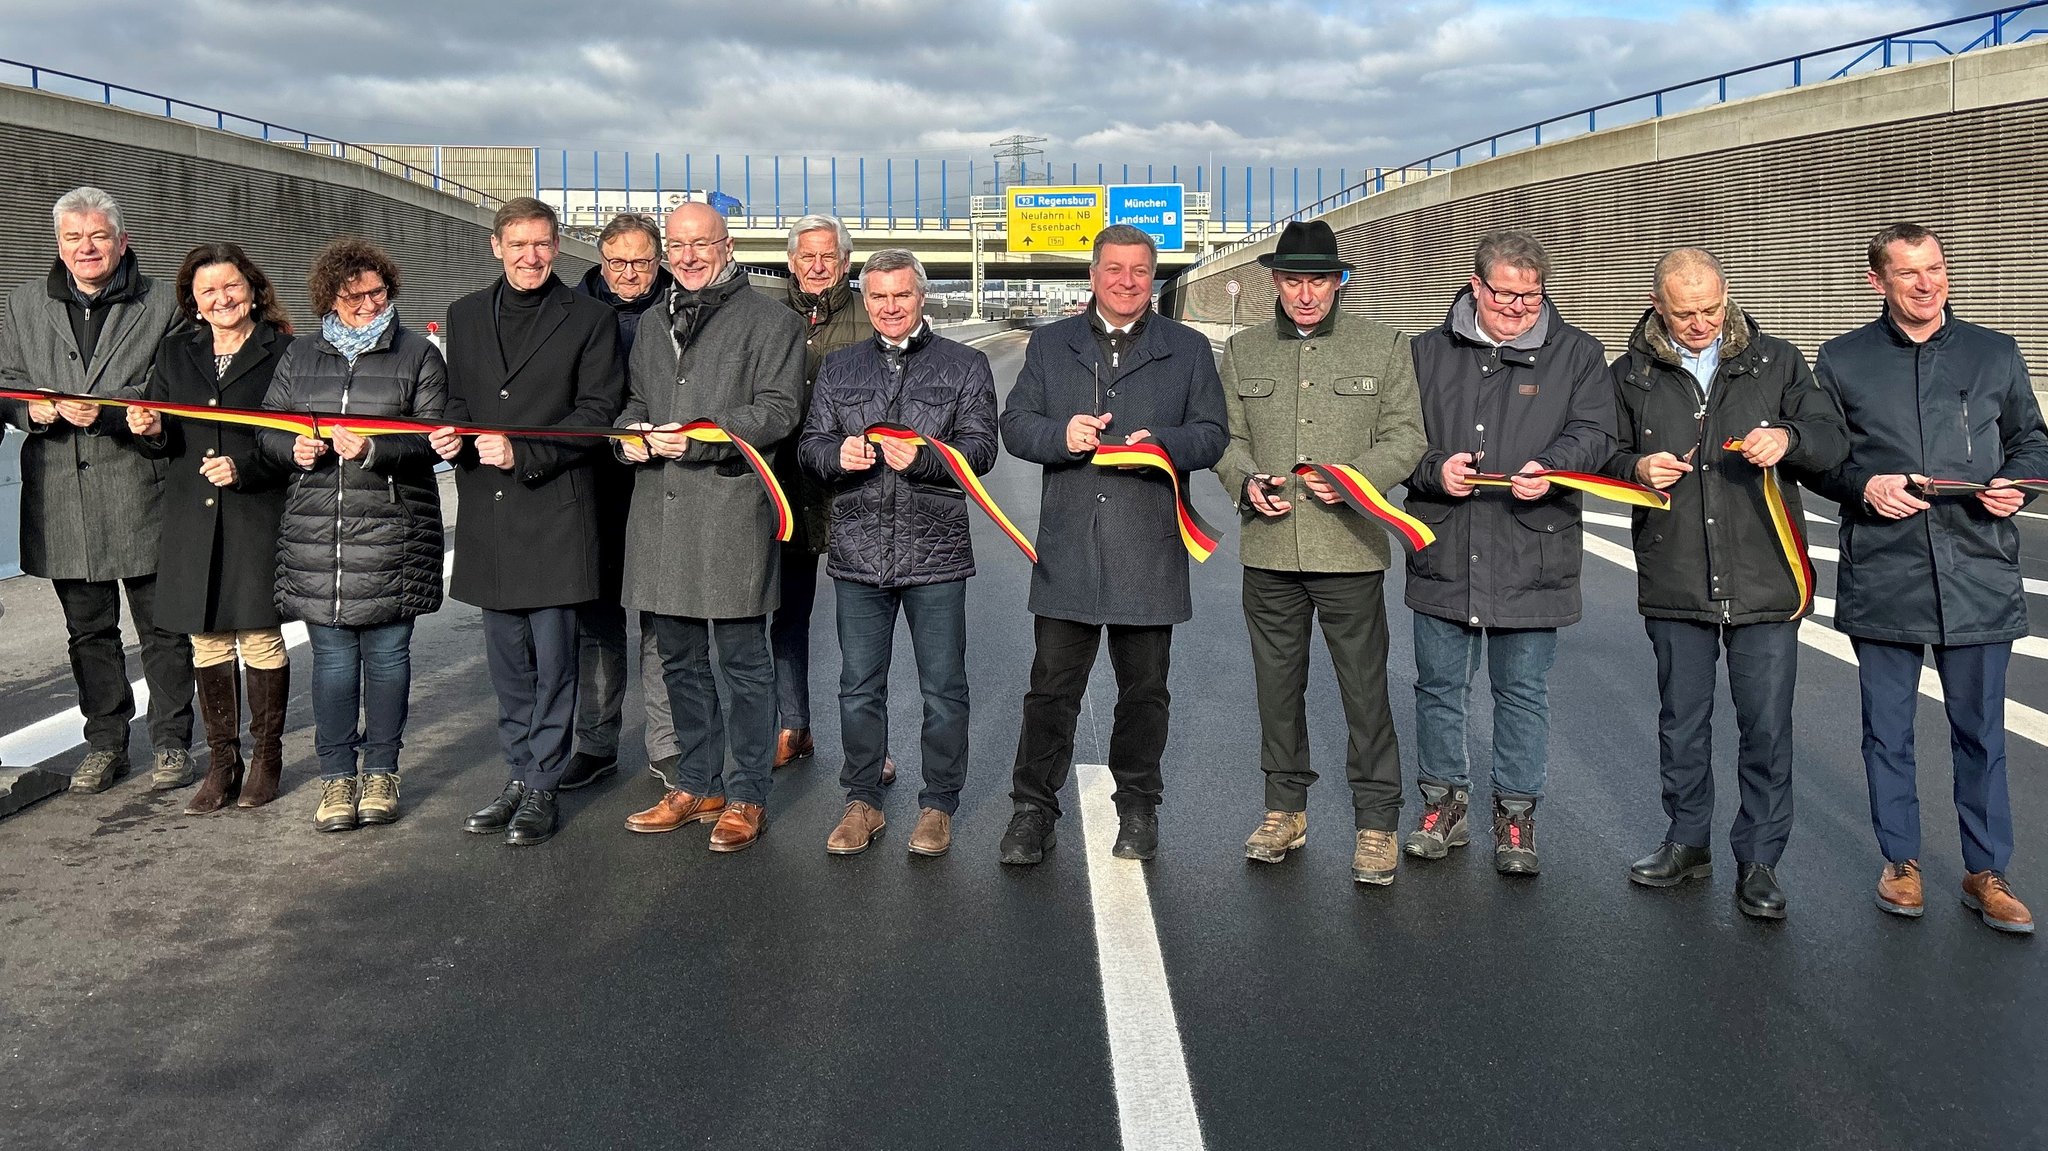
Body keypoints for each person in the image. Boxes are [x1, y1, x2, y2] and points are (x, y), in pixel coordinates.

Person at [1813, 223, 2048, 934]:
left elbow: (2033, 439)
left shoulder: (1995, 351)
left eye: (1936, 269)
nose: (1927, 283)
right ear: (1876, 281)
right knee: (1887, 732)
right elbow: (1820, 456)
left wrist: (2022, 483)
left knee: (1980, 732)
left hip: (1978, 569)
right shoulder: (1843, 360)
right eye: (1909, 272)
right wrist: (1863, 485)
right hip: (1886, 570)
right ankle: (1901, 861)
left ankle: (1987, 871)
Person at [1602, 248, 1847, 919]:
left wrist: (1789, 438)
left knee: (1766, 729)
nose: (1701, 322)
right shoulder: (1627, 374)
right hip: (1675, 573)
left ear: (1727, 294)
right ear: (1657, 305)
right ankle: (1687, 841)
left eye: (1711, 307)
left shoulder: (1779, 361)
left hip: (1766, 574)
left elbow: (1832, 442)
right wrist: (1636, 467)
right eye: (1685, 313)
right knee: (1682, 723)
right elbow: (1597, 451)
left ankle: (1760, 860)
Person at [997, 224, 1228, 864]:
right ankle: (1031, 812)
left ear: (1153, 278)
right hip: (1069, 547)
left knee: (1145, 692)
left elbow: (1212, 433)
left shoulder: (1186, 349)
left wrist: (1166, 447)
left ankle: (1138, 808)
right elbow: (1014, 426)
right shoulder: (1050, 345)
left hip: (1149, 548)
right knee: (1050, 691)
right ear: (1093, 276)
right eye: (1114, 270)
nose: (1127, 282)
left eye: (1139, 271)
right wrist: (1060, 436)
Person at [1215, 221, 1427, 885]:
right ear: (1275, 282)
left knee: (1364, 692)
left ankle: (1375, 821)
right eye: (1293, 280)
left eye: (1319, 280)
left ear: (1340, 282)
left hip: (1350, 552)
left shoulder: (1384, 346)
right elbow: (1224, 438)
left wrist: (1353, 479)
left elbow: (1406, 438)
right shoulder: (1244, 351)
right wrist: (1245, 481)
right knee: (1277, 690)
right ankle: (1285, 809)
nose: (1306, 294)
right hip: (1270, 549)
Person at [1401, 229, 1615, 876]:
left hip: (1533, 552)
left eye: (1531, 295)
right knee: (1440, 687)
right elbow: (1395, 435)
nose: (1520, 307)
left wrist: (1554, 466)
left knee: (1521, 691)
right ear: (1475, 286)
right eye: (1505, 294)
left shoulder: (1578, 354)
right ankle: (1443, 804)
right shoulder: (1423, 353)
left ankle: (1516, 815)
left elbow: (1597, 431)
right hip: (1445, 543)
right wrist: (1435, 468)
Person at [431, 199, 623, 847]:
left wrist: (526, 451)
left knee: (554, 660)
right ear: (496, 246)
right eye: (518, 244)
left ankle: (541, 782)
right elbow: (461, 398)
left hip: (556, 513)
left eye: (542, 244)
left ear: (556, 246)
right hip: (490, 512)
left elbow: (598, 411)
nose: (531, 256)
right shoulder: (464, 315)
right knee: (508, 662)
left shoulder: (590, 319)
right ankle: (518, 770)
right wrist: (451, 435)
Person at [615, 202, 803, 852]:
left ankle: (747, 792)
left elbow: (777, 411)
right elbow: (638, 402)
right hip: (660, 519)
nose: (690, 255)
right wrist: (629, 438)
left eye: (703, 243)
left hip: (730, 514)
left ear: (726, 247)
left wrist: (696, 441)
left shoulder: (772, 321)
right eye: (679, 245)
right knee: (678, 659)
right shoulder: (649, 324)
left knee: (745, 663)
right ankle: (697, 780)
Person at [798, 249, 997, 857]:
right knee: (858, 687)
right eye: (877, 296)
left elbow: (982, 450)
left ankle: (938, 804)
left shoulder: (966, 365)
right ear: (865, 299)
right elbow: (811, 445)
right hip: (858, 551)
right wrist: (838, 457)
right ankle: (862, 801)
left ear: (922, 297)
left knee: (942, 689)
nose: (889, 307)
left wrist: (930, 458)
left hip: (933, 552)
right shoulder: (838, 367)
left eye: (901, 295)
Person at [0, 187, 190, 794]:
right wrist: (37, 410)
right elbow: (5, 384)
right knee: (88, 631)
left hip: (140, 485)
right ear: (58, 245)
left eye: (98, 236)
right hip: (60, 492)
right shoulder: (24, 304)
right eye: (73, 238)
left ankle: (171, 743)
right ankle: (106, 742)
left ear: (122, 241)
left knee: (163, 628)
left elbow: (182, 388)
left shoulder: (164, 302)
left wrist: (115, 416)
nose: (86, 248)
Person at [260, 238, 446, 831]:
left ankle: (383, 771)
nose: (369, 304)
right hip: (318, 531)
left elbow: (435, 438)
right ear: (329, 297)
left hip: (394, 527)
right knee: (334, 663)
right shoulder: (300, 355)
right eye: (354, 295)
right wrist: (292, 447)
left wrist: (373, 449)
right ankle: (337, 778)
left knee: (389, 658)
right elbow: (264, 428)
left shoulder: (419, 353)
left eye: (378, 292)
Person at [127, 244, 295, 815]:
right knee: (205, 637)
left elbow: (298, 440)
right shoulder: (176, 352)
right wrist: (147, 426)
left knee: (258, 636)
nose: (221, 299)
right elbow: (164, 432)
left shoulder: (285, 351)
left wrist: (247, 467)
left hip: (255, 511)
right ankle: (223, 764)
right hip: (192, 514)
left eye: (231, 286)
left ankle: (266, 758)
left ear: (252, 288)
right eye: (208, 292)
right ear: (193, 302)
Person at [566, 212, 682, 790]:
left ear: (658, 260)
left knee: (662, 619)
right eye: (617, 262)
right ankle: (596, 742)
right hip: (592, 484)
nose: (629, 273)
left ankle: (667, 744)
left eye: (640, 262)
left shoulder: (685, 308)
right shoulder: (570, 312)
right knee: (596, 620)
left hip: (662, 482)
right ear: (600, 258)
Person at [775, 214, 887, 781]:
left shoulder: (868, 315)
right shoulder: (768, 316)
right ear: (791, 261)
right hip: (787, 485)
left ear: (846, 263)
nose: (817, 267)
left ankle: (869, 745)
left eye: (829, 257)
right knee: (786, 615)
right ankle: (791, 725)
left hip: (855, 487)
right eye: (807, 257)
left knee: (860, 624)